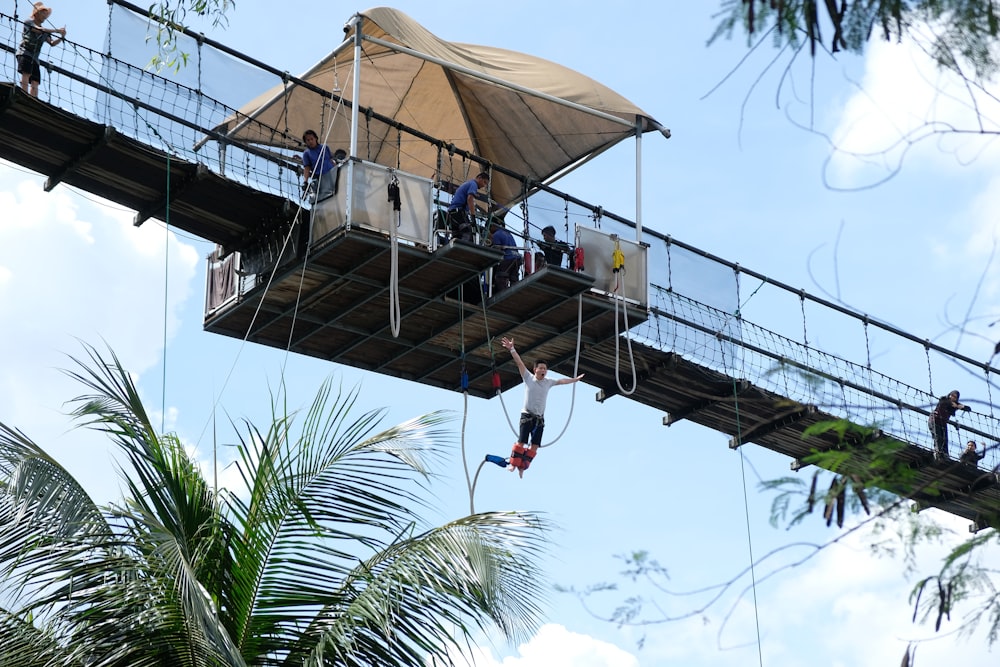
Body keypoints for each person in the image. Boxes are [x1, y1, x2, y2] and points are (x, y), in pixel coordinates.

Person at [487, 336, 584, 478]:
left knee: (535, 446)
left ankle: (522, 468)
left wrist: (574, 380)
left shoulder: (548, 382)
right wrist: (512, 349)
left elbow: (562, 381)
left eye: (545, 369)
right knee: (521, 442)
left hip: (539, 419)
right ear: (535, 369)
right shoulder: (528, 377)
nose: (543, 370)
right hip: (527, 416)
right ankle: (513, 465)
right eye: (541, 368)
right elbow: (519, 363)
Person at [16, 2, 65, 98]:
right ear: (37, 13)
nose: (45, 17)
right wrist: (56, 31)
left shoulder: (45, 31)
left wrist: (61, 37)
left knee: (36, 81)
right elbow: (38, 30)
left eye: (46, 14)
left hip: (35, 58)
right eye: (43, 13)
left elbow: (52, 43)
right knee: (26, 74)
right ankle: (24, 96)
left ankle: (33, 99)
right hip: (24, 52)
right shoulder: (28, 22)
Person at [928, 390, 970, 461]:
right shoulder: (944, 399)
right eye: (952, 395)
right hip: (935, 420)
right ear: (949, 394)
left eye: (955, 397)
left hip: (943, 423)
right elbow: (943, 400)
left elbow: (968, 409)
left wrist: (958, 406)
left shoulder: (955, 405)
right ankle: (938, 453)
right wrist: (956, 406)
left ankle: (945, 455)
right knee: (938, 438)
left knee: (944, 439)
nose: (952, 397)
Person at [446, 172, 488, 241]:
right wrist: (473, 215)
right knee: (468, 233)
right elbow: (470, 198)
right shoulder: (473, 184)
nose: (484, 185)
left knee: (457, 235)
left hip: (452, 212)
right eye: (484, 182)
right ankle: (464, 250)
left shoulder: (468, 183)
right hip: (459, 212)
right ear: (479, 178)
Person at [301, 130, 339, 202]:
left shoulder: (324, 147)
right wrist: (305, 182)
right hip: (321, 178)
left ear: (316, 138)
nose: (310, 141)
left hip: (332, 174)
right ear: (306, 142)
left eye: (312, 139)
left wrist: (338, 169)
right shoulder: (306, 153)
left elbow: (331, 160)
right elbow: (307, 168)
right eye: (308, 140)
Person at [489, 219, 520, 293]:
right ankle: (515, 293)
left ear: (493, 226)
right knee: (514, 278)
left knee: (500, 276)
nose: (489, 230)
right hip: (517, 257)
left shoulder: (496, 234)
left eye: (489, 227)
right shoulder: (508, 233)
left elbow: (498, 250)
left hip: (508, 257)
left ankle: (501, 293)